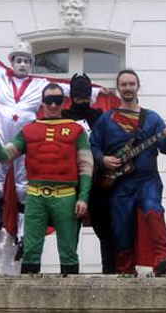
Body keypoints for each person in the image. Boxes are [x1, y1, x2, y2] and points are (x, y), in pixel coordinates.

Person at [0, 18, 103, 267]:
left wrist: (98, 92)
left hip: (30, 144)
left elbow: (68, 90)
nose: (22, 64)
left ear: (32, 64)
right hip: (0, 138)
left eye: (27, 61)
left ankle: (24, 237)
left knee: (25, 189)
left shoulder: (41, 85)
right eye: (18, 60)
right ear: (12, 62)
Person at [0, 83, 92, 274]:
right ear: (42, 102)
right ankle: (28, 298)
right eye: (49, 100)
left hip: (65, 196)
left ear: (64, 102)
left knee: (68, 250)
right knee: (31, 250)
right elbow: (6, 156)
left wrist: (83, 197)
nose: (54, 105)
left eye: (58, 100)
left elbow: (86, 167)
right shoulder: (29, 130)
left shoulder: (76, 130)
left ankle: (70, 299)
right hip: (35, 197)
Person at [90, 69, 166, 276]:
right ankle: (125, 273)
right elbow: (92, 146)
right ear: (118, 88)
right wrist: (103, 159)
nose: (128, 88)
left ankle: (162, 262)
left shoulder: (153, 118)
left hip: (147, 179)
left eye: (132, 84)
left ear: (138, 87)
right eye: (124, 84)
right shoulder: (106, 119)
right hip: (119, 183)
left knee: (153, 210)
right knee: (122, 227)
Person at [61, 73, 115, 274]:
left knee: (104, 230)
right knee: (71, 233)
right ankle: (70, 275)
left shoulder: (99, 116)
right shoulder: (65, 117)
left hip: (97, 180)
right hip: (74, 181)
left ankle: (108, 274)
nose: (82, 98)